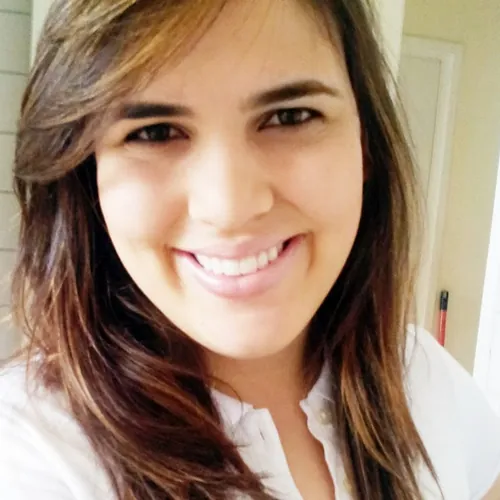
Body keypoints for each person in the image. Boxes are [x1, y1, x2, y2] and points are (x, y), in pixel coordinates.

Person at [1, 0, 499, 498]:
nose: (229, 207)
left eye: (289, 116)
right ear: (86, 172)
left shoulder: (422, 376)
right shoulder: (33, 455)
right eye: (154, 132)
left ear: (364, 143)